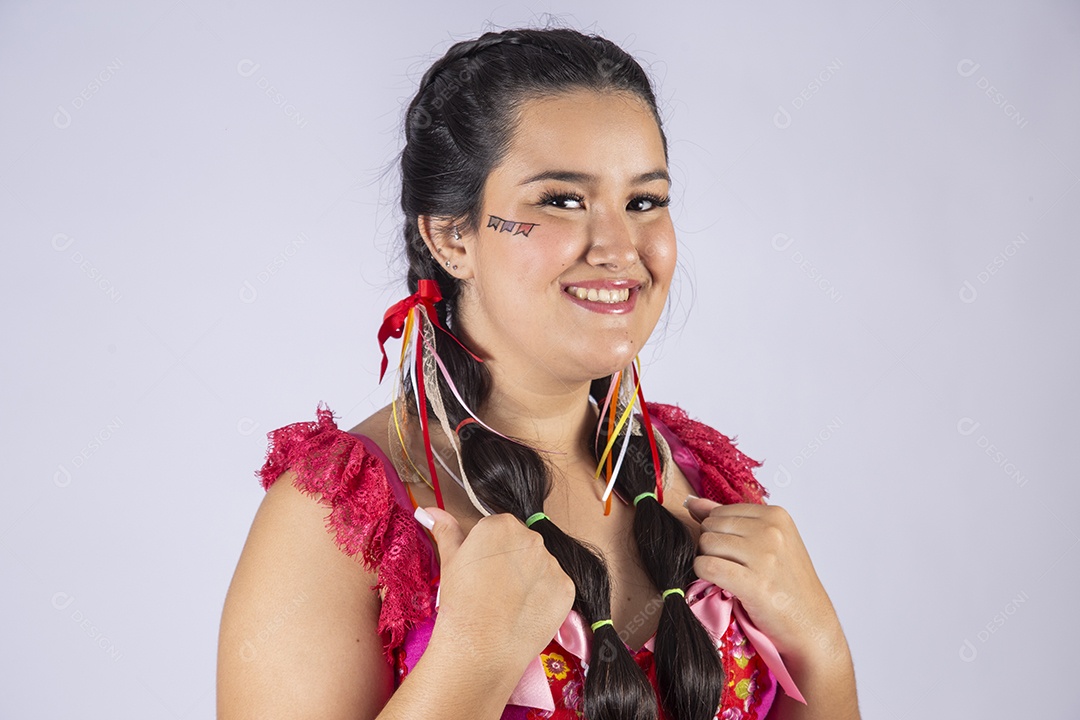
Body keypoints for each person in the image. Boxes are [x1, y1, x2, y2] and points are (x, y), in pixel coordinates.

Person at [216, 25, 860, 720]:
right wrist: (473, 658)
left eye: (644, 201)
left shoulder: (707, 484)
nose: (619, 247)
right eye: (561, 200)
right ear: (451, 235)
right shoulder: (336, 523)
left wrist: (822, 648)